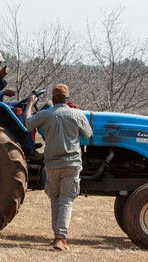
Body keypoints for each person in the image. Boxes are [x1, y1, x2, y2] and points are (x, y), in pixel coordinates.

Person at [24, 84, 92, 251]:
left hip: (52, 165)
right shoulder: (76, 114)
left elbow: (27, 124)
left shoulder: (46, 114)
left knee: (55, 198)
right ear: (67, 99)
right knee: (66, 200)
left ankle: (57, 236)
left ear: (53, 99)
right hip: (72, 164)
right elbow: (88, 134)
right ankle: (60, 238)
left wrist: (29, 105)